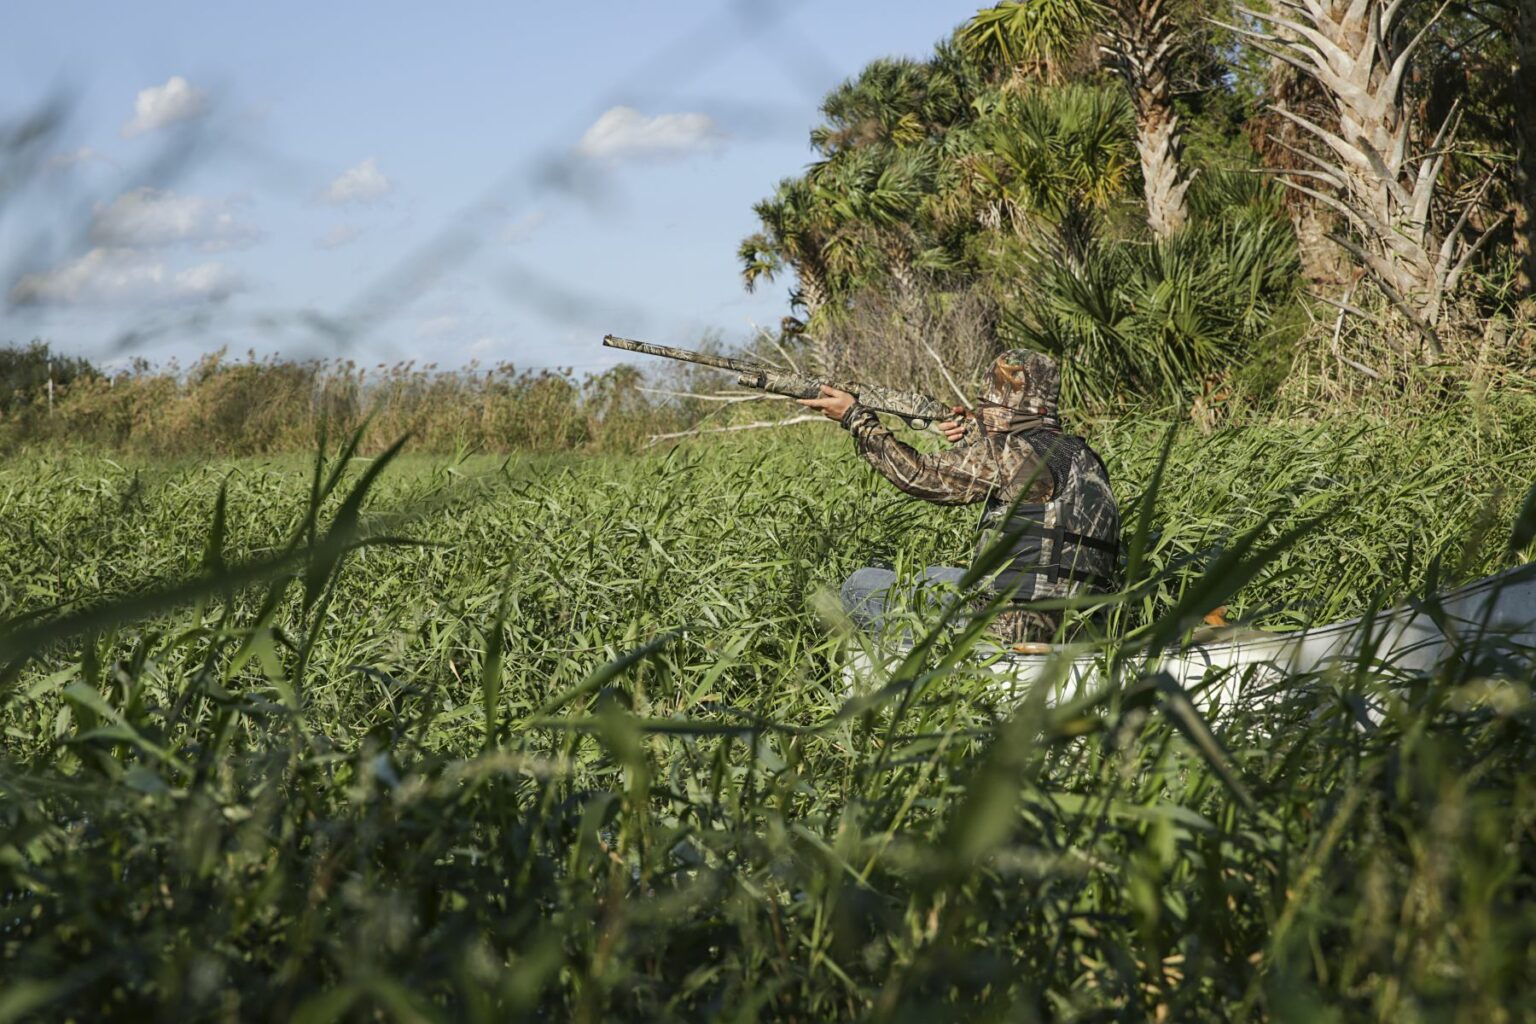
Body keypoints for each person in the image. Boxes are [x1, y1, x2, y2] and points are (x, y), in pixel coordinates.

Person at [798, 349, 1121, 646]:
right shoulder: (1081, 455)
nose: (982, 414)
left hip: (1011, 624)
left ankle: (911, 682)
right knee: (921, 576)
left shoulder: (1012, 455)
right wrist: (974, 432)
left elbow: (919, 475)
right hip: (1080, 620)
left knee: (860, 584)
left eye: (988, 407)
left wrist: (857, 419)